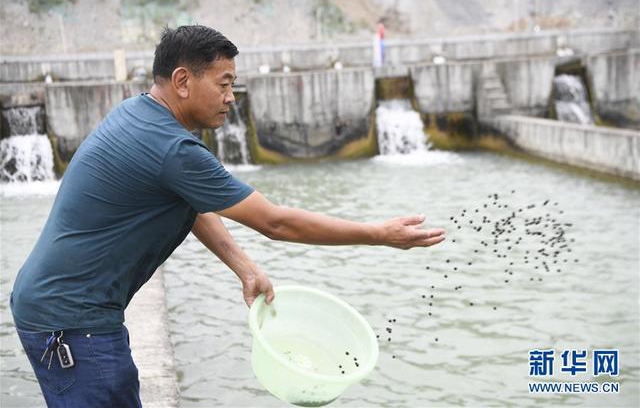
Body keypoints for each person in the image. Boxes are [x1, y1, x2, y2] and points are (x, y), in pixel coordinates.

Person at [10, 25, 445, 407]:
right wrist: (378, 234)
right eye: (223, 84)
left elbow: (191, 203)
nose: (230, 99)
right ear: (182, 81)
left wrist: (243, 266)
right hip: (72, 323)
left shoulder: (137, 113)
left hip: (58, 308)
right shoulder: (173, 148)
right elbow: (276, 223)